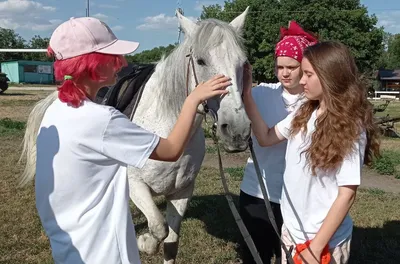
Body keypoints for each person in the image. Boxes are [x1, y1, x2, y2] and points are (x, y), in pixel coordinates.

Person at [35, 17, 231, 264]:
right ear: (92, 65)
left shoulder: (56, 112)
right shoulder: (102, 120)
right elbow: (170, 150)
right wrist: (192, 100)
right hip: (104, 252)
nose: (123, 63)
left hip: (69, 245)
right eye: (113, 58)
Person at [242, 41, 380, 264]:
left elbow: (347, 194)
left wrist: (315, 248)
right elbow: (266, 138)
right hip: (292, 232)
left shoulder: (350, 126)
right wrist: (247, 96)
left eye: (308, 74)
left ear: (329, 77)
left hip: (323, 241)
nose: (301, 80)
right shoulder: (304, 112)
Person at [239, 21, 317, 264]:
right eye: (280, 66)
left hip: (297, 197)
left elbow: (267, 138)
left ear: (305, 67)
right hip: (256, 191)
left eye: (292, 67)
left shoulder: (314, 103)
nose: (284, 73)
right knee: (255, 256)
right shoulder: (261, 93)